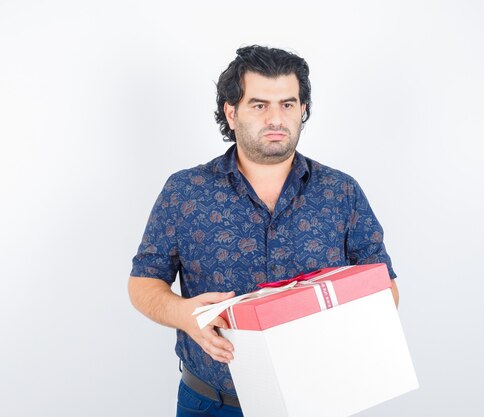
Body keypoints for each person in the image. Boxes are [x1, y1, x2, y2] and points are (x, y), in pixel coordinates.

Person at [128, 45, 399, 417]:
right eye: (259, 105)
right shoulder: (184, 191)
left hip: (320, 400)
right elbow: (144, 281)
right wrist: (182, 315)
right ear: (231, 112)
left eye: (288, 104)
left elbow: (384, 286)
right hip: (213, 403)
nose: (276, 118)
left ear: (303, 110)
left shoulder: (341, 191)